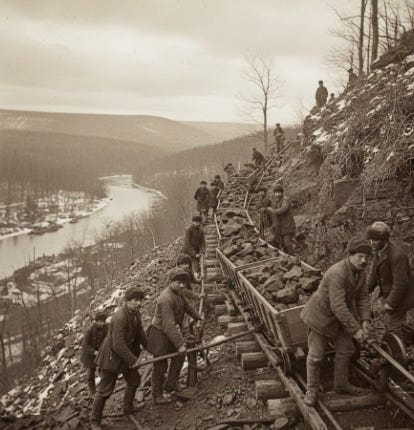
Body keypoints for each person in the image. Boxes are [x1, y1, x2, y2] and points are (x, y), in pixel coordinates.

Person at [301, 238, 372, 406]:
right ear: (350, 255)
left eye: (367, 257)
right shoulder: (337, 273)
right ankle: (311, 390)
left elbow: (363, 298)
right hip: (321, 317)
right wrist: (355, 330)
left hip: (342, 317)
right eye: (360, 256)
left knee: (346, 350)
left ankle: (341, 385)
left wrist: (365, 321)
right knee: (316, 355)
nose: (364, 261)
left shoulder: (360, 272)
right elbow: (338, 305)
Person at [90, 287, 147, 430]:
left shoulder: (136, 314)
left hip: (125, 355)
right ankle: (94, 420)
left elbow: (141, 335)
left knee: (134, 380)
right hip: (111, 357)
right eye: (135, 300)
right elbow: (118, 345)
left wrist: (152, 348)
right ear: (127, 301)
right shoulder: (120, 317)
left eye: (140, 300)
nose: (139, 303)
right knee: (105, 390)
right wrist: (134, 360)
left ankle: (128, 408)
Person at [147, 268, 202, 405]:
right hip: (159, 334)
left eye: (183, 282)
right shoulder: (165, 299)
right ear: (171, 282)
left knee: (179, 356)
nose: (182, 285)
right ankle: (157, 396)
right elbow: (168, 325)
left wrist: (198, 317)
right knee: (160, 365)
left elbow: (187, 307)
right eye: (178, 282)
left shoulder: (178, 293)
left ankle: (170, 385)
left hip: (168, 331)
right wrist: (180, 344)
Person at [366, 221, 414, 340]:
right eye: (371, 239)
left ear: (384, 239)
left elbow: (401, 283)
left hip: (404, 295)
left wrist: (390, 303)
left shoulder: (397, 255)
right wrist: (362, 293)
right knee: (391, 321)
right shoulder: (378, 252)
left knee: (392, 325)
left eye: (375, 240)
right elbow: (372, 277)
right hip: (395, 293)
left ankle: (399, 351)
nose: (372, 243)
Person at [80, 311, 108, 396]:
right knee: (90, 374)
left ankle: (104, 387)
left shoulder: (106, 327)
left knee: (104, 369)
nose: (102, 323)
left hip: (99, 352)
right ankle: (92, 392)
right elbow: (84, 344)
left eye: (103, 321)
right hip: (89, 355)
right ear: (96, 321)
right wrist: (93, 352)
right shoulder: (90, 330)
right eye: (100, 321)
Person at [265, 184, 296, 254]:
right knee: (282, 243)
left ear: (282, 193)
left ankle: (292, 255)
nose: (277, 194)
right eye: (276, 192)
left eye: (279, 192)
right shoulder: (274, 201)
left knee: (287, 242)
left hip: (287, 224)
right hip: (279, 225)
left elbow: (284, 209)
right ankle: (286, 256)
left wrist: (273, 211)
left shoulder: (285, 199)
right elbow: (270, 211)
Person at [182, 215, 206, 281]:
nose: (198, 224)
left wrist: (202, 251)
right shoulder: (189, 230)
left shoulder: (201, 231)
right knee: (186, 267)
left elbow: (203, 242)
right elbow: (187, 244)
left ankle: (196, 277)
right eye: (196, 222)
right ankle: (191, 278)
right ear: (193, 222)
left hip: (196, 252)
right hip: (187, 252)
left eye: (199, 222)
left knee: (195, 265)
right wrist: (194, 254)